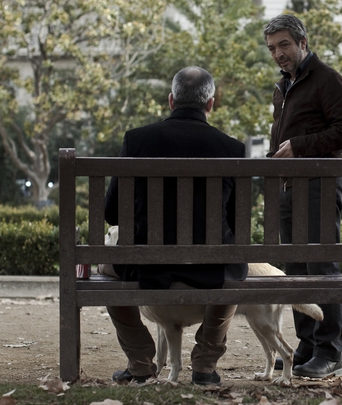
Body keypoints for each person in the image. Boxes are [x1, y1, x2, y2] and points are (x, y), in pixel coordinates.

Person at [102, 66, 247, 386]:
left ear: (171, 100)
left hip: (145, 264)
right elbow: (239, 226)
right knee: (236, 266)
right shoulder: (232, 148)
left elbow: (112, 212)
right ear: (210, 104)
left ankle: (140, 362)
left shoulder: (136, 140)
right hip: (211, 267)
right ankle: (205, 364)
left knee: (105, 270)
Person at [263, 14, 342, 379]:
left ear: (303, 43)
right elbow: (282, 140)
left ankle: (329, 351)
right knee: (296, 270)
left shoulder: (327, 79)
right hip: (289, 186)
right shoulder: (284, 86)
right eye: (272, 48)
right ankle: (306, 345)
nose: (278, 54)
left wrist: (299, 146)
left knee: (321, 267)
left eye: (284, 45)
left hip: (320, 184)